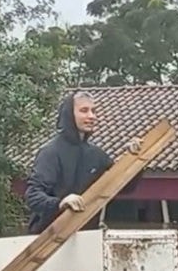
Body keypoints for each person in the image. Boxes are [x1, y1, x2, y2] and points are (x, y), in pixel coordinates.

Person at [24, 90, 142, 234]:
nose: (91, 116)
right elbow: (33, 195)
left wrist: (134, 159)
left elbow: (123, 187)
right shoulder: (50, 153)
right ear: (69, 115)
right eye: (84, 111)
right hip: (48, 239)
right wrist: (61, 203)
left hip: (85, 238)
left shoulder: (97, 155)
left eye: (93, 111)